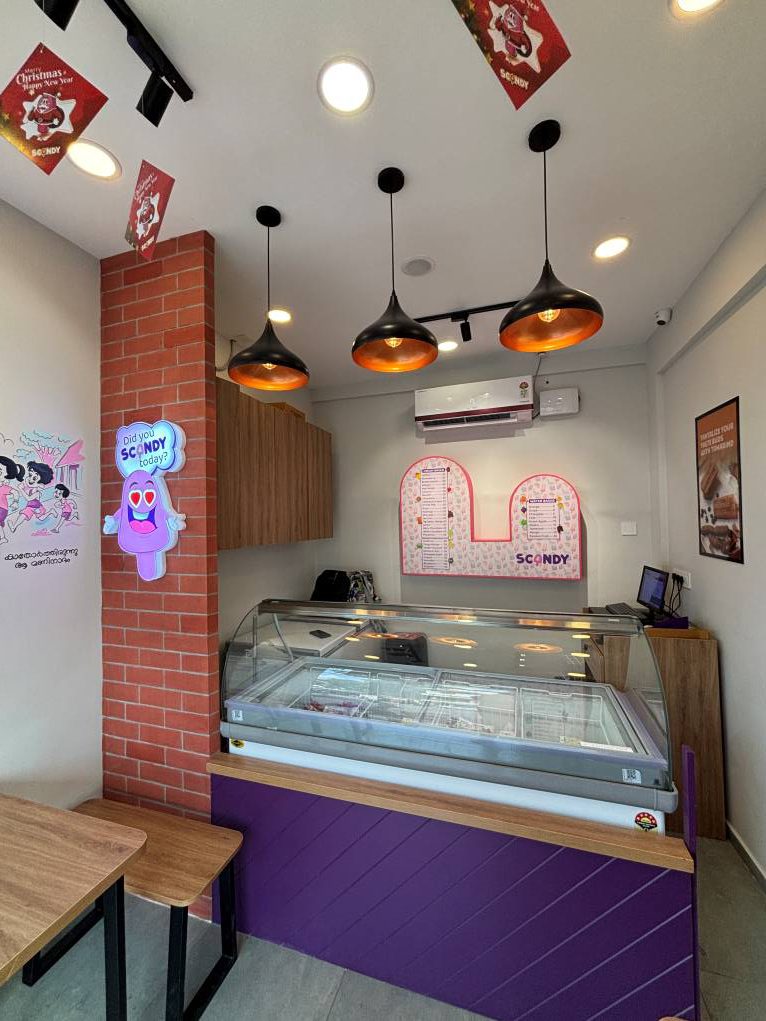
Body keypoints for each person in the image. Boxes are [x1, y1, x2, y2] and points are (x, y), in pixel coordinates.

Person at [8, 460, 54, 533]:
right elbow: (25, 484)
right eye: (30, 475)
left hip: (35, 507)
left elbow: (28, 498)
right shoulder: (28, 484)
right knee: (40, 517)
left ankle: (14, 526)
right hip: (34, 507)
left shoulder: (37, 492)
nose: (31, 478)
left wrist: (21, 489)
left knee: (25, 514)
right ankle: (51, 511)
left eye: (35, 477)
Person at [0, 456, 24, 545]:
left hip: (2, 509)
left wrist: (15, 502)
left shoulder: (4, 488)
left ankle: (3, 538)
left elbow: (15, 492)